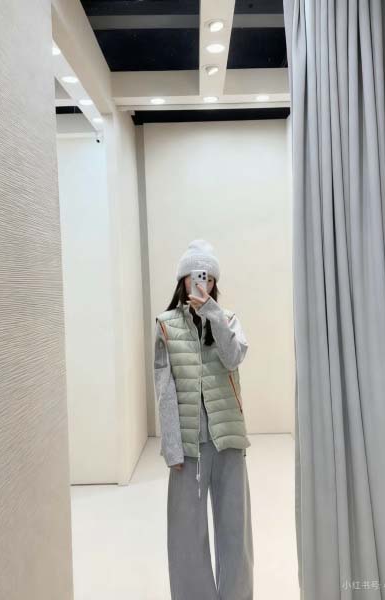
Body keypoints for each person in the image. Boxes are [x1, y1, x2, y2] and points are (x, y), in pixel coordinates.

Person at [154, 239, 254, 600]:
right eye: (196, 276)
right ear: (183, 279)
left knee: (235, 531)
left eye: (209, 278)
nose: (202, 283)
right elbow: (164, 388)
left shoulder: (227, 320)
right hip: (188, 444)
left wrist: (212, 312)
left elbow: (233, 357)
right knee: (186, 535)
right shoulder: (166, 325)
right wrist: (171, 447)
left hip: (227, 439)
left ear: (214, 282)